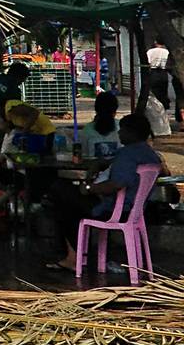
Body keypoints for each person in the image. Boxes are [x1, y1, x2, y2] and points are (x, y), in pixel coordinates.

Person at [48, 111, 166, 272]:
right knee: (65, 199)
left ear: (132, 132)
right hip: (135, 211)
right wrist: (101, 163)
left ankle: (73, 256)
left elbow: (117, 184)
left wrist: (89, 189)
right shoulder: (150, 154)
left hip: (112, 210)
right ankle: (77, 253)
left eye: (122, 130)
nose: (119, 133)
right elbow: (121, 166)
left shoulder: (128, 154)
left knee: (59, 193)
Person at [79, 90, 122, 162]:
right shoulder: (122, 127)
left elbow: (84, 154)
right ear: (115, 110)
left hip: (93, 170)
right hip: (118, 171)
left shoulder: (87, 130)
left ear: (96, 109)